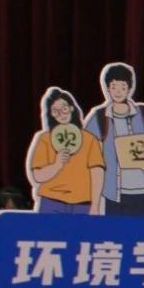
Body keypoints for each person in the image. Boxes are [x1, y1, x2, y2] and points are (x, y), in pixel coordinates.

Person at [83, 62, 144, 216]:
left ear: (130, 88)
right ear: (107, 88)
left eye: (123, 86)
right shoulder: (99, 117)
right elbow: (85, 149)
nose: (118, 91)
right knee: (118, 231)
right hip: (116, 194)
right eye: (114, 86)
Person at [26, 87, 105, 215]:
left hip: (82, 203)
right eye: (55, 111)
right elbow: (38, 176)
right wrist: (57, 165)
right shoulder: (45, 139)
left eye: (64, 109)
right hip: (52, 202)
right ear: (51, 114)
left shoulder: (89, 139)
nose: (61, 114)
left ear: (71, 108)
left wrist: (95, 206)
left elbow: (97, 172)